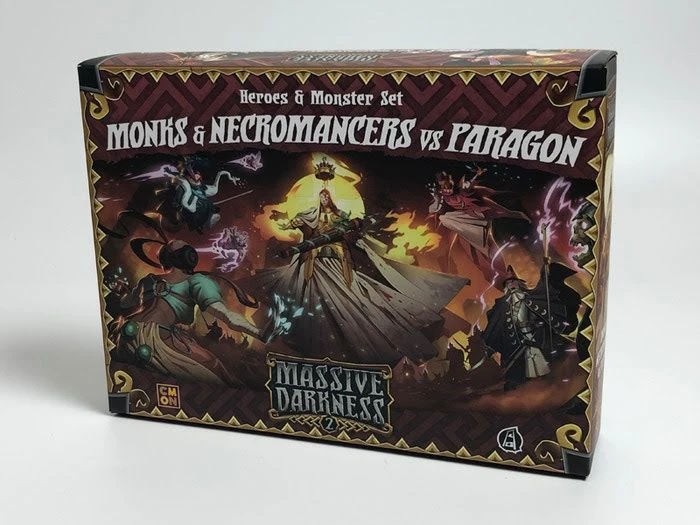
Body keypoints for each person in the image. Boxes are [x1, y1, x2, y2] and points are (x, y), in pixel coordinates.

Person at [241, 188, 468, 366]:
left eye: (326, 196)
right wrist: (294, 225)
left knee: (351, 302)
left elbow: (352, 236)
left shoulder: (341, 217)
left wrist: (349, 232)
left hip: (338, 262)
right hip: (315, 263)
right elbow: (299, 226)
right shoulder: (311, 216)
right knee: (310, 300)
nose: (324, 199)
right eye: (321, 196)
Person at [109, 239, 287, 386]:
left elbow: (126, 303)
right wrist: (259, 333)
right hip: (157, 341)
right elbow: (226, 316)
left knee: (208, 360)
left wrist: (123, 291)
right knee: (216, 370)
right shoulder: (197, 282)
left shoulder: (150, 279)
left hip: (127, 333)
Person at [482, 261, 580, 391]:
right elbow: (495, 324)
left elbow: (544, 291)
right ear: (505, 287)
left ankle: (549, 386)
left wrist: (546, 273)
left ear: (519, 283)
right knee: (517, 373)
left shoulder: (531, 298)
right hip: (514, 344)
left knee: (547, 365)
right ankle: (517, 389)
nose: (511, 285)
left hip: (536, 336)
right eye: (508, 283)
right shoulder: (501, 306)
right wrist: (490, 345)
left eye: (513, 282)